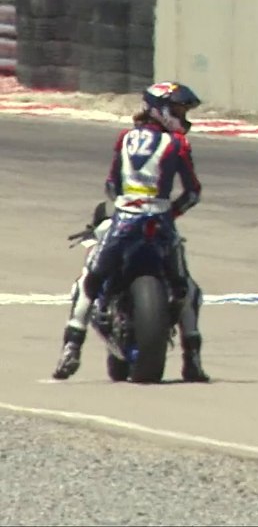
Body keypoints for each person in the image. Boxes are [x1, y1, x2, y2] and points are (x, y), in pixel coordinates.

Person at [52, 82, 210, 383]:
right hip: (161, 225)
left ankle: (71, 348)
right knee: (186, 289)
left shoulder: (124, 138)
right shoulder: (178, 144)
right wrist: (168, 212)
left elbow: (112, 186)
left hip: (124, 223)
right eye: (178, 110)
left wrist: (129, 203)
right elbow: (192, 193)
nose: (182, 116)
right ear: (160, 111)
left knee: (89, 281)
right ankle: (192, 360)